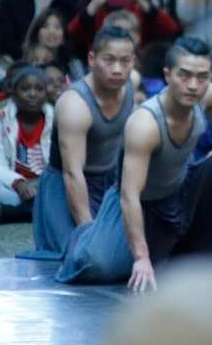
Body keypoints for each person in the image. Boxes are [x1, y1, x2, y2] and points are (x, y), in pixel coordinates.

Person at [56, 37, 212, 285]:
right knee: (98, 266)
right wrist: (141, 258)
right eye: (184, 76)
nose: (193, 85)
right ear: (167, 75)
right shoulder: (145, 124)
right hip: (139, 206)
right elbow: (129, 195)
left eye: (202, 77)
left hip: (178, 195)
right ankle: (85, 237)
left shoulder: (203, 93)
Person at [26, 26, 136, 260]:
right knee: (88, 257)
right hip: (68, 186)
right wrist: (89, 233)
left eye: (125, 61)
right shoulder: (74, 105)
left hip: (111, 182)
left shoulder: (132, 84)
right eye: (109, 60)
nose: (118, 69)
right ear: (92, 59)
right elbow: (72, 174)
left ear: (133, 61)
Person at [0, 65, 51, 223]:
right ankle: (37, 211)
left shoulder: (56, 119)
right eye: (25, 89)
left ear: (46, 94)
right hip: (14, 187)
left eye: (39, 89)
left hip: (46, 185)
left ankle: (19, 212)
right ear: (14, 93)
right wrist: (18, 183)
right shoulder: (1, 120)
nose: (32, 94)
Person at [24, 8, 86, 80]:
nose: (51, 32)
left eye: (57, 27)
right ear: (37, 33)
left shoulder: (73, 64)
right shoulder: (28, 60)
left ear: (63, 37)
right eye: (45, 26)